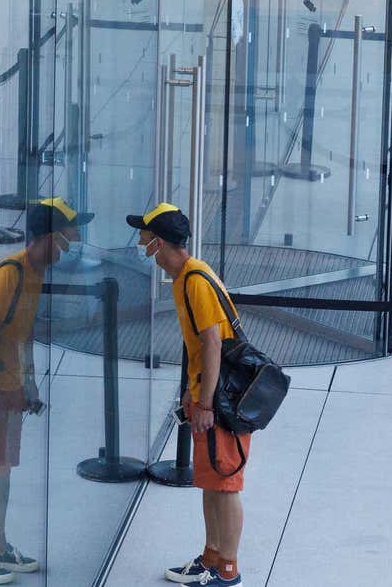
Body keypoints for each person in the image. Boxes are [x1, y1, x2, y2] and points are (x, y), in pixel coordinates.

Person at [0, 197, 93, 584]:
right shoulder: (9, 273)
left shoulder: (34, 272)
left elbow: (23, 334)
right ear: (45, 237)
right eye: (64, 240)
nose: (68, 248)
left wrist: (28, 384)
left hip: (10, 390)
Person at [126, 203, 246, 587]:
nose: (141, 242)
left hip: (222, 400)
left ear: (158, 242)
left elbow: (212, 344)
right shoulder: (185, 277)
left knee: (225, 483)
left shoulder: (194, 280)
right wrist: (191, 394)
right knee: (211, 480)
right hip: (206, 393)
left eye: (144, 236)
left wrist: (206, 403)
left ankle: (228, 569)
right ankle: (211, 557)